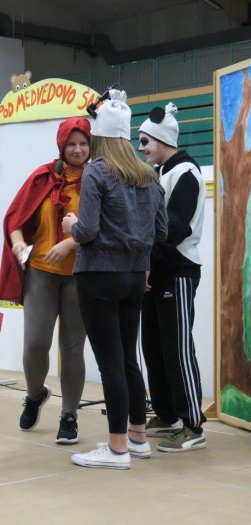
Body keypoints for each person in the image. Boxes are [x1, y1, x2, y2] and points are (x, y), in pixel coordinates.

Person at [62, 89, 168, 470]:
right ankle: (138, 437)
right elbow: (162, 230)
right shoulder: (149, 175)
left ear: (98, 137)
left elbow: (88, 229)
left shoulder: (97, 171)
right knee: (127, 359)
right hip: (133, 279)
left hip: (99, 277)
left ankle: (117, 448)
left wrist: (71, 226)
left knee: (110, 363)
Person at [0, 117, 91, 445]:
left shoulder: (98, 179)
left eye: (83, 143)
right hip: (40, 270)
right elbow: (15, 218)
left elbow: (104, 227)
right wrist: (17, 243)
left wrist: (72, 243)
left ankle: (69, 415)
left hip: (80, 274)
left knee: (72, 347)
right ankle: (35, 394)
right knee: (35, 343)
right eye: (71, 144)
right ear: (61, 146)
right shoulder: (42, 177)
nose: (77, 149)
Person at [138, 103, 207, 452]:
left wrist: (150, 262)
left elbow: (175, 228)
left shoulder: (186, 173)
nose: (141, 148)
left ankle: (193, 424)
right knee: (154, 346)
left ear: (162, 138)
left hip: (176, 270)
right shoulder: (159, 172)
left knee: (177, 348)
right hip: (154, 271)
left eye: (144, 141)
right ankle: (168, 415)